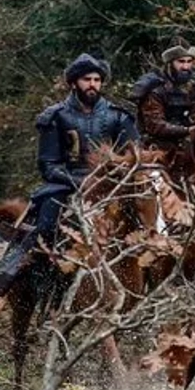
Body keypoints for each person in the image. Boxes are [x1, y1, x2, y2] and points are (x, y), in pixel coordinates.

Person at [31, 54, 139, 246]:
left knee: (144, 222)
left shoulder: (119, 116)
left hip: (112, 183)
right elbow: (48, 165)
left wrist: (113, 178)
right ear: (74, 83)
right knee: (45, 228)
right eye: (86, 80)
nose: (92, 84)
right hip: (66, 184)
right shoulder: (56, 116)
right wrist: (80, 181)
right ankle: (41, 270)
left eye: (97, 80)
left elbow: (134, 158)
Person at [130, 42, 195, 153]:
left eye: (189, 62)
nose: (186, 67)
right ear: (170, 63)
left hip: (188, 145)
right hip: (156, 146)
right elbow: (155, 125)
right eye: (181, 62)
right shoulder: (156, 90)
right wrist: (186, 130)